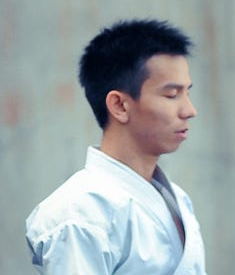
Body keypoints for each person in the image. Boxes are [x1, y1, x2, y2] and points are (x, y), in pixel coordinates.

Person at [26, 19, 207, 274]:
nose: (190, 110)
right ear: (120, 105)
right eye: (171, 95)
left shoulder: (177, 199)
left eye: (187, 92)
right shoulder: (78, 215)